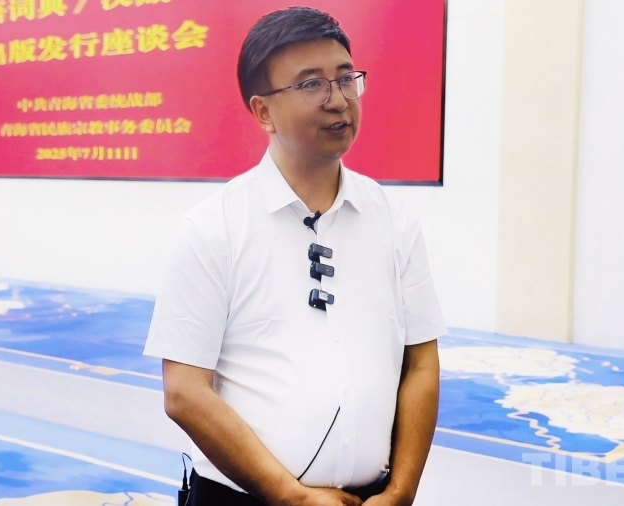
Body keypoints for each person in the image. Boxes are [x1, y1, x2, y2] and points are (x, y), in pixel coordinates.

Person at [143, 7, 446, 506]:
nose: (338, 100)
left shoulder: (395, 221)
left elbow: (421, 365)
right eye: (311, 85)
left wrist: (400, 491)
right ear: (263, 111)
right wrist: (293, 497)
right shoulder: (213, 227)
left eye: (345, 78)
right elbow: (184, 391)